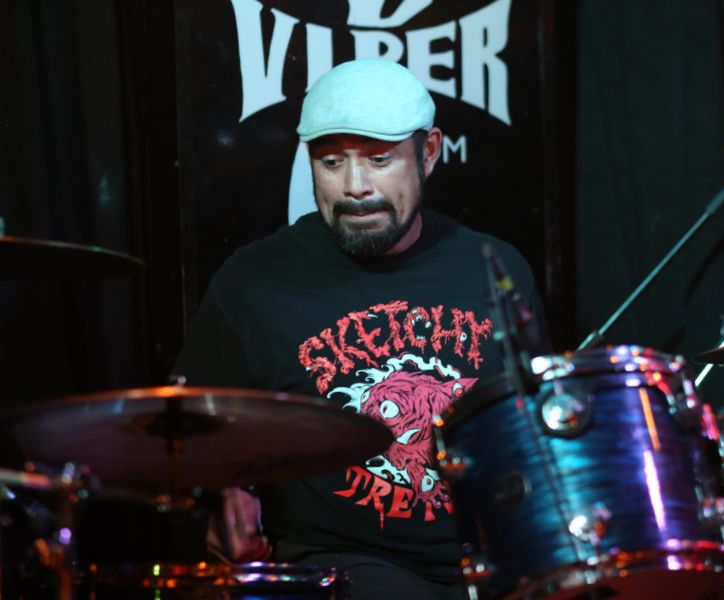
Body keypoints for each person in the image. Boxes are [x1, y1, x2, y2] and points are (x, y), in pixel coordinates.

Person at [174, 59, 544, 600]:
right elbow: (185, 427)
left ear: (429, 152)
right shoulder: (253, 281)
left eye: (379, 159)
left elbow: (533, 431)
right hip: (344, 563)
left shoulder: (496, 267)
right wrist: (223, 493)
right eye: (330, 162)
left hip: (494, 555)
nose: (354, 187)